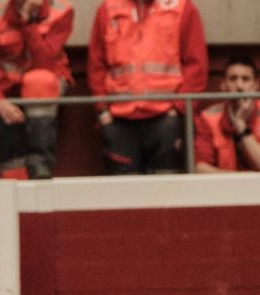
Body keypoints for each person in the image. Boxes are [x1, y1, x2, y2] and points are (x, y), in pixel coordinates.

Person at [86, 0, 208, 175]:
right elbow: (96, 66)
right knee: (123, 194)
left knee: (166, 192)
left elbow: (196, 66)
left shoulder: (182, 8)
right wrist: (103, 112)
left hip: (165, 118)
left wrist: (178, 110)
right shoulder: (108, 9)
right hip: (119, 120)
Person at [0, 1, 74, 179]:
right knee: (6, 125)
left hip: (46, 85)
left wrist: (28, 23)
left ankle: (40, 162)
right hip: (10, 91)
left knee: (38, 81)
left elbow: (45, 62)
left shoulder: (61, 12)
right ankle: (14, 178)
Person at [192, 53, 260, 173]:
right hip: (223, 189)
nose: (239, 86)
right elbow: (200, 169)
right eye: (233, 79)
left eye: (246, 79)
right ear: (223, 85)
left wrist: (242, 127)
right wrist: (241, 178)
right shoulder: (207, 118)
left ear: (256, 85)